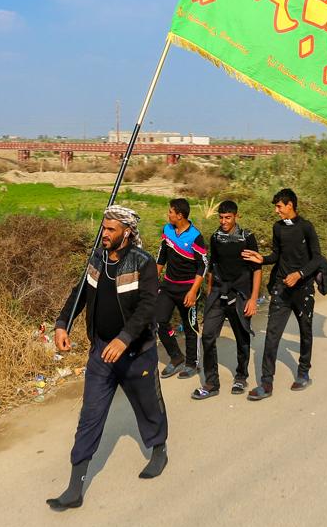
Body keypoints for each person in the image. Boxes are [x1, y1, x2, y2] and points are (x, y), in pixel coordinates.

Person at [49, 206, 167, 511]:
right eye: (104, 228)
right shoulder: (97, 260)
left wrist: (124, 338)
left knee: (148, 405)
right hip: (102, 353)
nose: (104, 234)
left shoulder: (143, 263)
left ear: (126, 232)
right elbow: (79, 295)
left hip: (135, 353)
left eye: (111, 229)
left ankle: (158, 449)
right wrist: (63, 323)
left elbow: (147, 307)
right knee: (90, 415)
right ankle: (75, 487)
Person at [240, 188, 321, 400]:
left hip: (302, 290)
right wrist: (262, 259)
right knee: (272, 335)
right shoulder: (277, 228)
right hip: (281, 289)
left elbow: (317, 259)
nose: (277, 211)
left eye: (279, 206)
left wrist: (300, 274)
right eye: (276, 207)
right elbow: (276, 255)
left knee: (305, 331)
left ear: (290, 205)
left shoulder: (306, 228)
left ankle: (303, 372)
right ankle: (266, 383)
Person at [191, 200, 261, 400]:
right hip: (219, 293)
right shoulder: (215, 237)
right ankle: (211, 382)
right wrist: (210, 293)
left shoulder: (247, 238)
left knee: (242, 337)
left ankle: (241, 376)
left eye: (227, 218)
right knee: (207, 336)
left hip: (241, 294)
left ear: (236, 216)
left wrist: (253, 299)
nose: (223, 221)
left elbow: (257, 269)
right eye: (221, 217)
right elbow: (212, 266)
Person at [154, 198, 207, 379]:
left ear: (180, 215)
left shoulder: (195, 236)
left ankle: (193, 363)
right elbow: (161, 257)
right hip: (168, 286)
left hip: (188, 289)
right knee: (159, 321)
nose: (168, 214)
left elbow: (203, 267)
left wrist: (193, 291)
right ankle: (176, 358)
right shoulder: (167, 230)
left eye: (170, 212)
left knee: (190, 326)